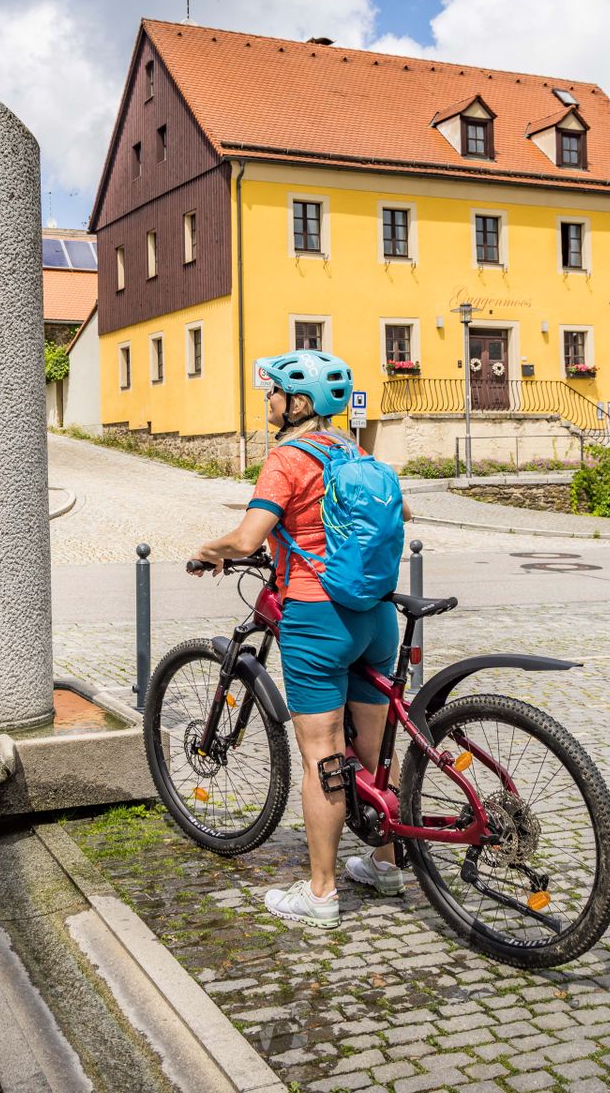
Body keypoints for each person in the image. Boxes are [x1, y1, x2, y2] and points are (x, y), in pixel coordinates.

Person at [190, 349, 410, 928]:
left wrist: (209, 552)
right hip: (375, 615)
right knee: (371, 751)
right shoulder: (354, 452)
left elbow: (248, 537)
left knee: (323, 756)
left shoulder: (287, 459)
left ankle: (319, 895)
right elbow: (399, 509)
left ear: (300, 403)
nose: (268, 402)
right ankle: (385, 865)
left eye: (275, 393)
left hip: (317, 617)